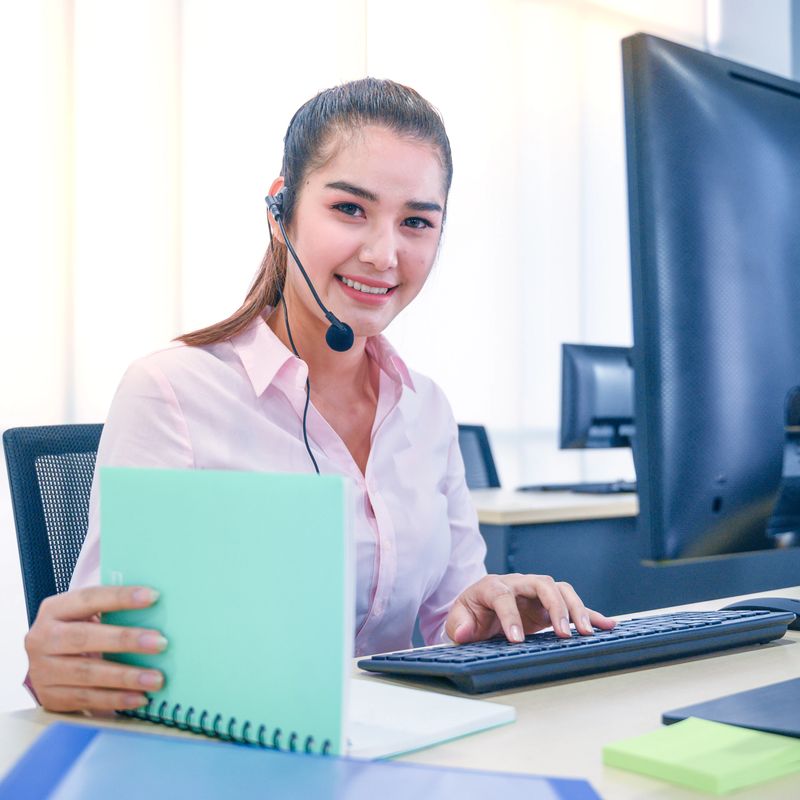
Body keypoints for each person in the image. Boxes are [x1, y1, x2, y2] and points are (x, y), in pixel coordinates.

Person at [23, 78, 616, 714]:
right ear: (281, 211)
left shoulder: (427, 410)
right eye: (350, 209)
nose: (384, 255)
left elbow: (450, 619)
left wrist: (488, 613)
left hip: (405, 745)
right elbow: (102, 650)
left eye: (416, 222)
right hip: (243, 750)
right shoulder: (172, 392)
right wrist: (62, 666)